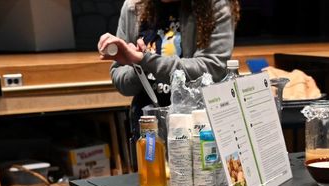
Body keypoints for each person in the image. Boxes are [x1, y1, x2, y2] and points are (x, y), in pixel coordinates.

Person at [97, 0, 240, 109]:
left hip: (200, 122)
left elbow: (212, 69)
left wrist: (146, 60)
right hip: (149, 122)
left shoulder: (214, 6)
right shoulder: (133, 6)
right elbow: (122, 83)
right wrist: (139, 67)